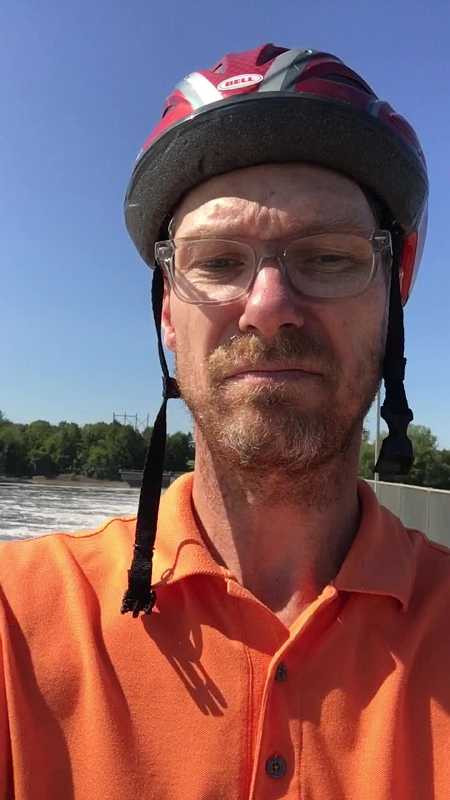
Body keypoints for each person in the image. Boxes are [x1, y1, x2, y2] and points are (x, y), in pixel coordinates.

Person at [1, 44, 449, 800]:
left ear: (393, 298)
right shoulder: (18, 620)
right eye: (217, 261)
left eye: (329, 257)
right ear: (166, 313)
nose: (269, 308)